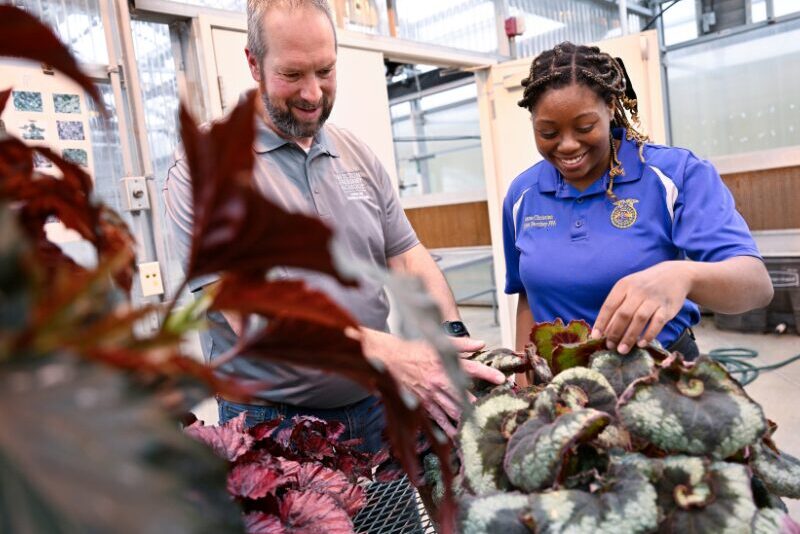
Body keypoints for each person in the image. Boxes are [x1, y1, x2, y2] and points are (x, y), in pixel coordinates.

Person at [164, 0, 504, 453]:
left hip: (375, 406)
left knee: (396, 526)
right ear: (253, 62)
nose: (312, 93)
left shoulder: (356, 154)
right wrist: (388, 351)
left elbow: (406, 255)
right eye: (292, 75)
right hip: (271, 424)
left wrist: (452, 339)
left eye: (324, 71)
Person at [502, 42, 774, 363]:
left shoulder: (675, 174)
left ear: (611, 108)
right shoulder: (523, 195)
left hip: (656, 372)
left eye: (585, 127)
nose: (568, 145)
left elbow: (756, 285)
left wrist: (683, 276)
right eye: (547, 132)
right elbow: (527, 298)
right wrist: (522, 375)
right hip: (561, 381)